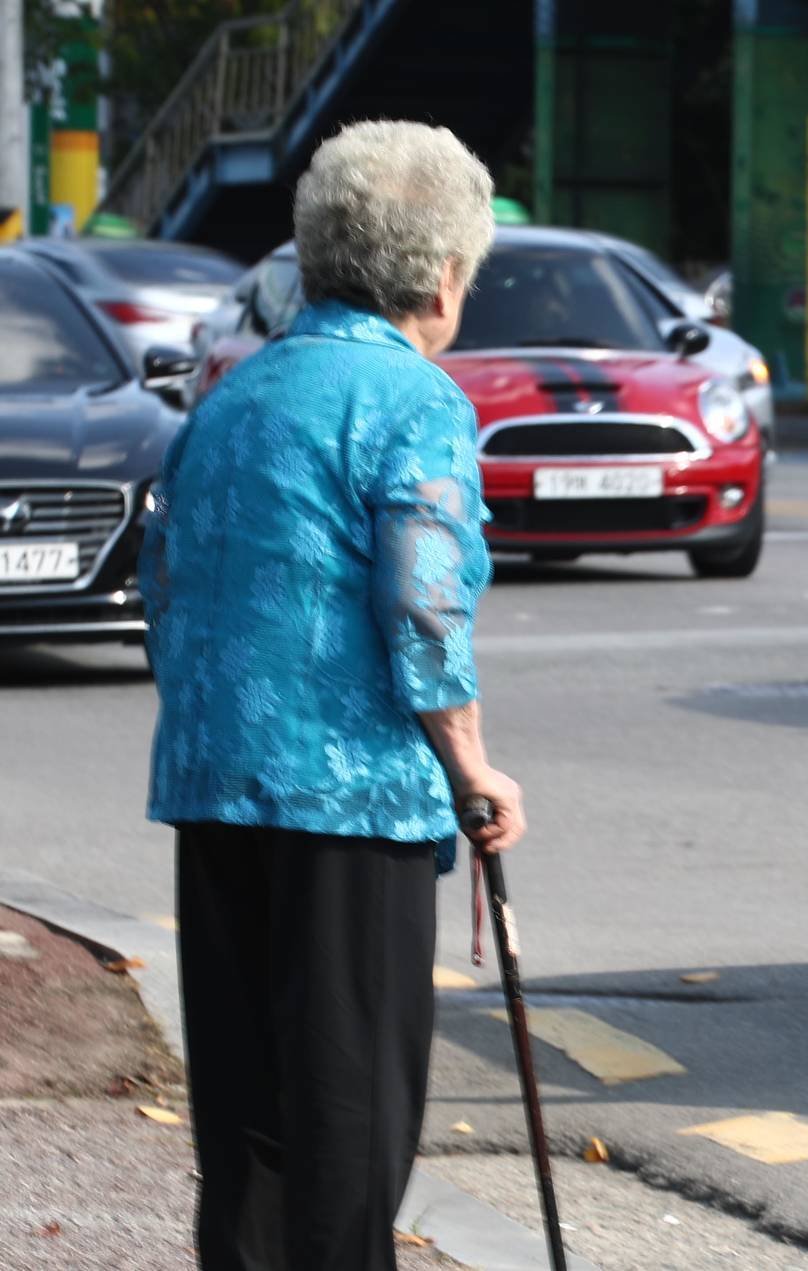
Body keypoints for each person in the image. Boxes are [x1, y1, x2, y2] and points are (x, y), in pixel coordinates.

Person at [140, 119, 528, 1271]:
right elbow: (423, 603)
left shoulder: (229, 401)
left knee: (248, 1133)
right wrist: (473, 769)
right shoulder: (414, 401)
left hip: (214, 793)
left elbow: (168, 591)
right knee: (348, 1135)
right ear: (446, 274)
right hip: (350, 810)